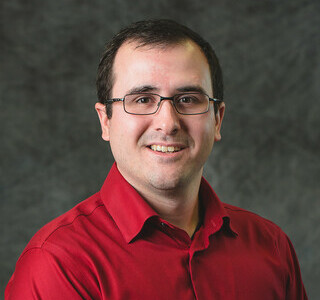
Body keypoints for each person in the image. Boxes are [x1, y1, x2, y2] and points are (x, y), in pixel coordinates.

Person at [5, 19, 307, 300]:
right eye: (142, 99)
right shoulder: (59, 265)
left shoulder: (272, 247)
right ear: (105, 121)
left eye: (188, 99)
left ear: (217, 120)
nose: (168, 123)